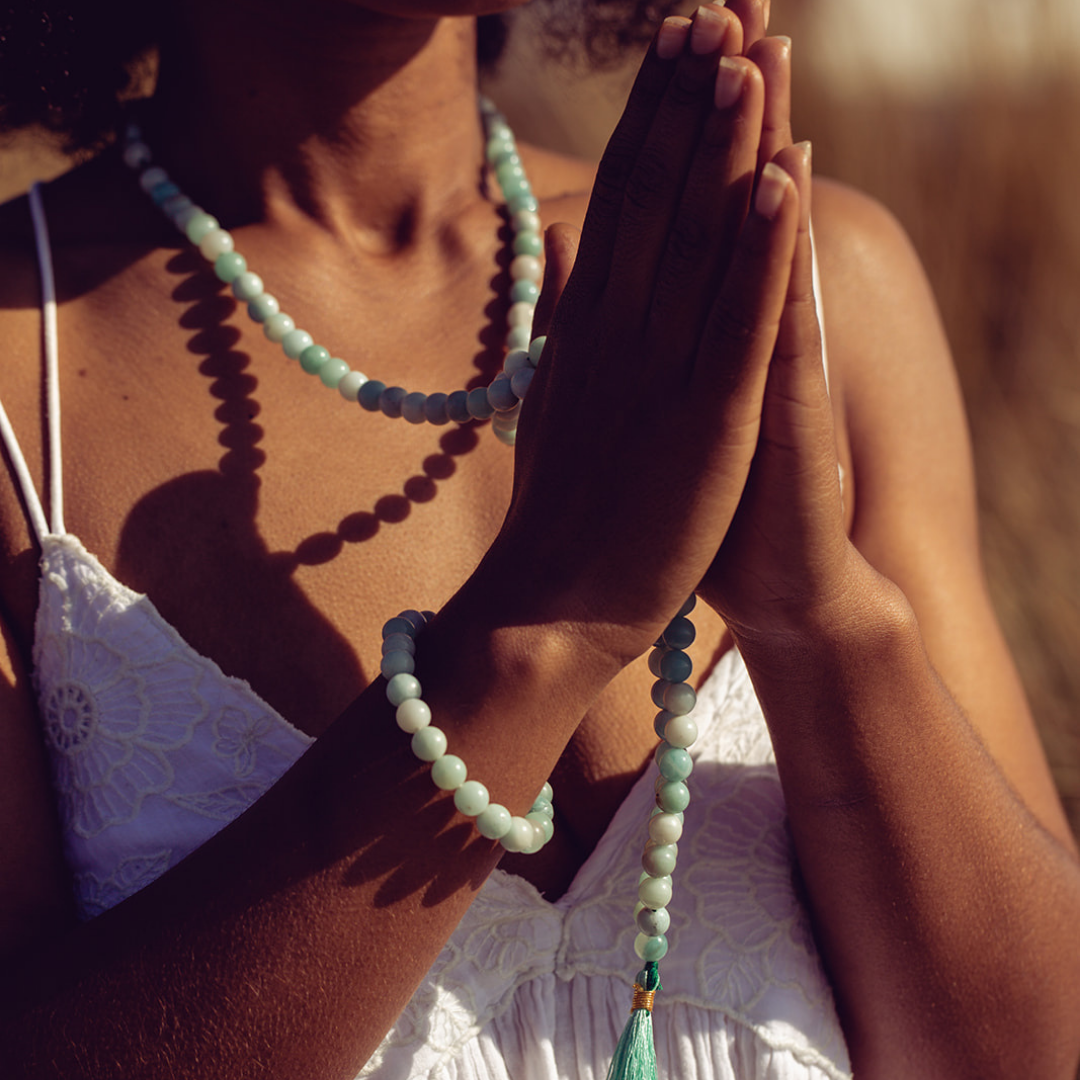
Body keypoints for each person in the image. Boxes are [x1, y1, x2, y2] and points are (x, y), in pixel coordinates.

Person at [0, 1, 1077, 1077]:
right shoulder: (23, 373)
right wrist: (539, 629)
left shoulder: (821, 281)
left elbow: (1027, 1054)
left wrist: (819, 618)